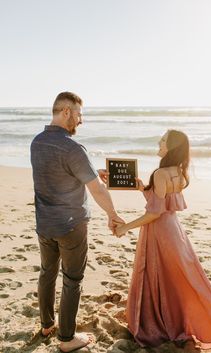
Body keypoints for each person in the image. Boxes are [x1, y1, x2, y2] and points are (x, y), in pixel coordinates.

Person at [114, 130, 211, 352]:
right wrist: (143, 188)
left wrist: (124, 227)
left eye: (162, 140)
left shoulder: (160, 173)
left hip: (160, 232)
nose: (159, 142)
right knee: (182, 278)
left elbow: (154, 213)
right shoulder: (178, 172)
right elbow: (163, 204)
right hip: (175, 231)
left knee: (158, 276)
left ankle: (159, 323)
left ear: (170, 147)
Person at [30, 91, 124, 353]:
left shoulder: (36, 142)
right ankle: (67, 338)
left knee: (47, 272)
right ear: (66, 112)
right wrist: (113, 215)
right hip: (71, 226)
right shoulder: (72, 147)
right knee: (72, 279)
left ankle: (47, 325)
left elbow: (59, 172)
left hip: (45, 224)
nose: (81, 120)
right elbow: (97, 190)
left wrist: (94, 172)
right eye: (79, 114)